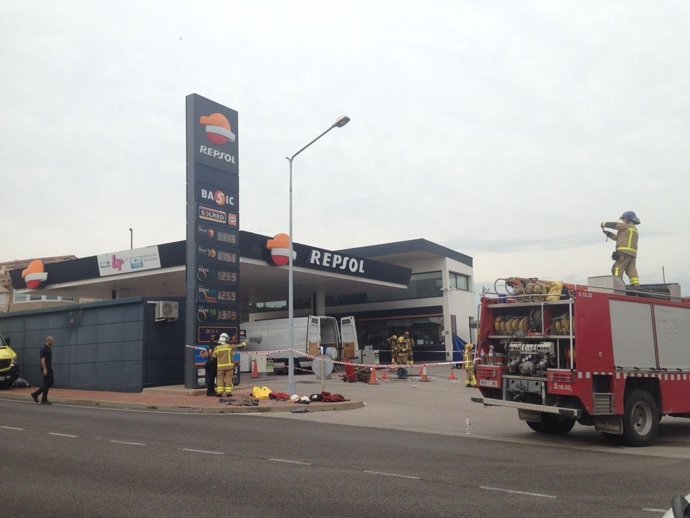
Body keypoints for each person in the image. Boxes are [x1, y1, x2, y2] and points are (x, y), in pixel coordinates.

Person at [601, 211, 641, 286]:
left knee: (617, 269)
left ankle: (617, 286)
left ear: (628, 219)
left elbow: (615, 225)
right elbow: (618, 238)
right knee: (631, 270)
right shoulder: (634, 230)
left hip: (623, 253)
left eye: (624, 219)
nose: (623, 221)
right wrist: (608, 234)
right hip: (632, 255)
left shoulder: (626, 226)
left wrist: (604, 224)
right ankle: (636, 286)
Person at [212, 333, 246, 398]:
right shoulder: (229, 346)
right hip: (229, 366)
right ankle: (228, 393)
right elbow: (239, 346)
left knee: (220, 379)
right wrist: (244, 344)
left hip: (220, 367)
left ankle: (219, 393)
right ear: (226, 339)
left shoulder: (217, 348)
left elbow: (213, 358)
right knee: (228, 379)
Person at [31, 336, 55, 405]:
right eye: (52, 341)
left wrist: (51, 367)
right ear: (49, 341)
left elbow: (48, 360)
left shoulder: (49, 349)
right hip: (45, 369)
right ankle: (43, 399)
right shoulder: (43, 349)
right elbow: (42, 360)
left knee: (50, 382)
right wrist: (44, 369)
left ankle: (35, 394)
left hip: (49, 368)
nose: (53, 342)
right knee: (47, 383)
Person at [202, 332, 218, 397]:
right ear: (217, 339)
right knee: (211, 379)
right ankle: (209, 392)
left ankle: (212, 390)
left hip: (209, 363)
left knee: (211, 378)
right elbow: (213, 355)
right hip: (212, 364)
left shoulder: (210, 345)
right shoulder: (215, 346)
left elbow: (207, 354)